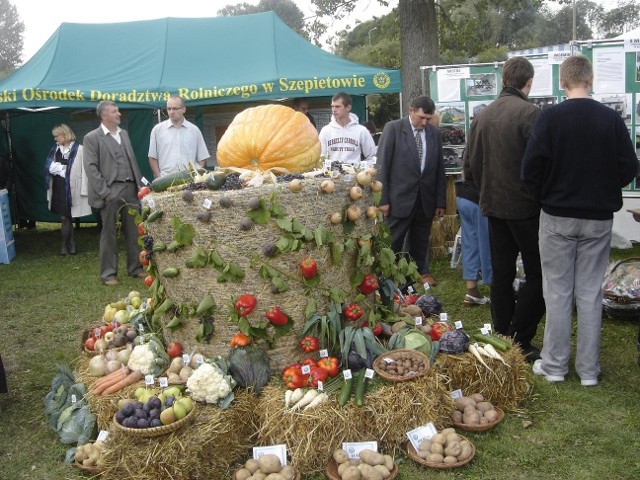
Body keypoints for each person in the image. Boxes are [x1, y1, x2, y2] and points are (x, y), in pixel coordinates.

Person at [522, 55, 639, 385]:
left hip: (557, 215)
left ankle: (555, 366)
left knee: (557, 292)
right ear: (591, 80)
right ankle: (588, 370)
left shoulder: (551, 118)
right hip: (598, 218)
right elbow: (630, 167)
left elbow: (530, 170)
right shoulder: (611, 120)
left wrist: (545, 195)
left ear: (563, 82)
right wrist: (602, 187)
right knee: (589, 293)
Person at [463, 56, 544, 362]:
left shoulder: (483, 116)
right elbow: (539, 166)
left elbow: (468, 168)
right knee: (537, 273)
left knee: (501, 271)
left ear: (503, 79)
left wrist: (486, 189)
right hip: (525, 208)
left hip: (493, 206)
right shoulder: (530, 113)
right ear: (529, 82)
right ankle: (520, 336)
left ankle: (501, 334)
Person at [377, 96, 446, 287]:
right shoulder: (394, 129)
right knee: (393, 242)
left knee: (420, 241)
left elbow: (439, 168)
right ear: (411, 110)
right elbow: (382, 165)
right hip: (398, 199)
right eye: (421, 117)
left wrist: (440, 201)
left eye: (428, 118)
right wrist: (383, 199)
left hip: (425, 199)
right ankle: (387, 278)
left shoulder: (433, 133)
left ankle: (415, 276)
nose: (424, 122)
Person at [84, 101, 145, 286]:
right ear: (104, 116)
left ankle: (135, 267)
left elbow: (131, 161)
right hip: (110, 191)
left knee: (134, 231)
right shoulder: (92, 138)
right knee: (109, 232)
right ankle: (108, 274)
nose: (119, 113)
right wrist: (105, 192)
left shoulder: (124, 134)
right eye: (114, 111)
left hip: (130, 188)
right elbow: (91, 167)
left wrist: (140, 186)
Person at [44, 124, 92, 255]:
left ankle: (68, 244)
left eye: (56, 136)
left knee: (68, 217)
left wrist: (59, 169)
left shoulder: (80, 149)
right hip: (59, 188)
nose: (55, 139)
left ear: (64, 135)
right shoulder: (55, 150)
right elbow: (49, 167)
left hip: (74, 189)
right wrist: (62, 169)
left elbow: (84, 170)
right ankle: (68, 244)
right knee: (65, 217)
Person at [148, 96, 210, 178]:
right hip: (165, 181)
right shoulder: (157, 130)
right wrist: (159, 177)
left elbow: (202, 158)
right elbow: (152, 157)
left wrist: (196, 176)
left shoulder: (194, 130)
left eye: (175, 108)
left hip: (190, 182)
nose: (171, 112)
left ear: (184, 109)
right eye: (169, 109)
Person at [455, 175, 492, 306]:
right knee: (487, 244)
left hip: (463, 195)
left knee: (470, 245)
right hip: (479, 198)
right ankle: (496, 289)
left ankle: (471, 291)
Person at [319, 92, 377, 164]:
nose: (334, 110)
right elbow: (321, 158)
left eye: (337, 106)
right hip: (332, 174)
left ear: (348, 107)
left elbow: (372, 156)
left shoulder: (361, 131)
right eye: (332, 106)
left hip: (355, 174)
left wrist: (362, 169)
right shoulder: (325, 131)